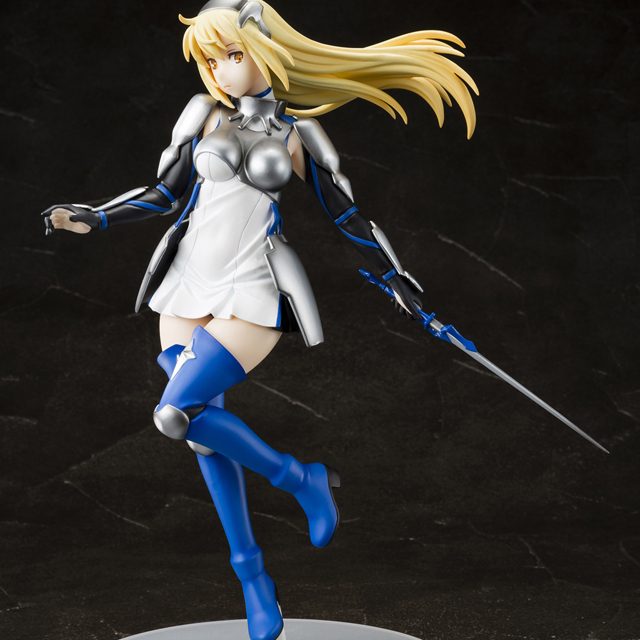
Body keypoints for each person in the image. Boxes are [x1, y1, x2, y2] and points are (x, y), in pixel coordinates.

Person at [41, 2, 478, 639]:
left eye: (231, 54)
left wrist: (398, 280)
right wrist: (97, 216)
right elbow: (162, 193)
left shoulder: (301, 133)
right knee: (199, 434)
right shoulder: (203, 113)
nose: (219, 70)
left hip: (253, 285)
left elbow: (348, 216)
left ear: (268, 52)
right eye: (209, 58)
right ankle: (256, 573)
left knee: (175, 412)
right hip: (186, 286)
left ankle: (298, 480)